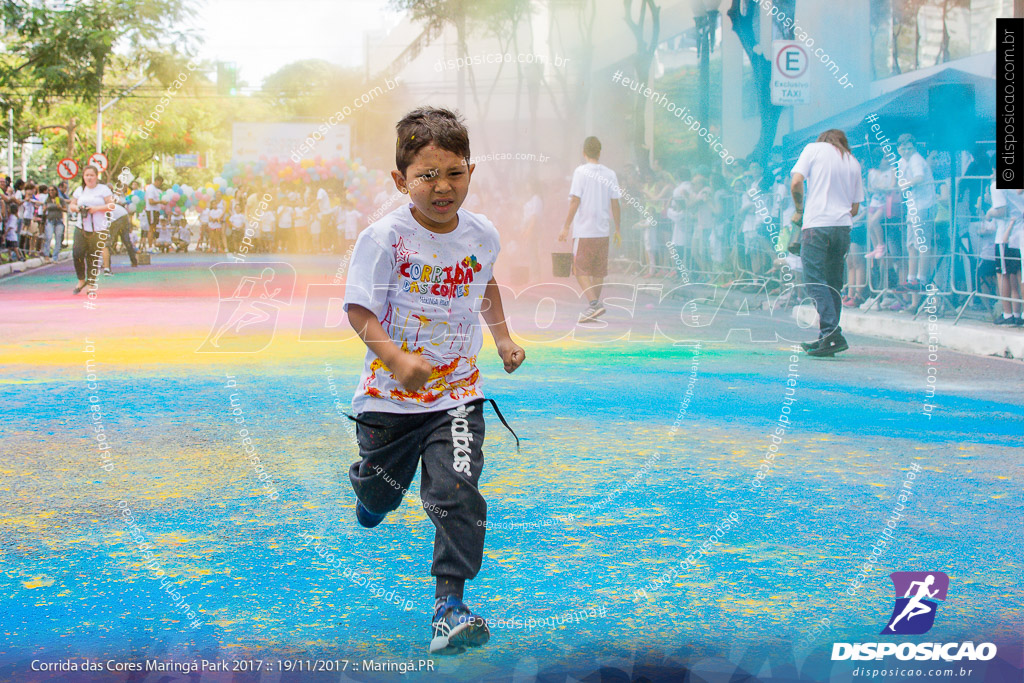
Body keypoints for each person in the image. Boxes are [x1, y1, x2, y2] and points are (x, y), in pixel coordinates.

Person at [343, 107, 524, 655]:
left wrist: (503, 337)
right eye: (427, 176)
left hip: (458, 394)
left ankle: (450, 606)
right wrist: (396, 360)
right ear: (401, 181)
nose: (442, 187)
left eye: (454, 173)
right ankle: (371, 495)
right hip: (389, 401)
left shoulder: (482, 233)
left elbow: (485, 284)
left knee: (457, 491)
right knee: (382, 490)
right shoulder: (383, 238)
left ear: (471, 171)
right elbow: (359, 311)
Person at [790, 129, 864, 357]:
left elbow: (796, 183)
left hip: (817, 225)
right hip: (842, 227)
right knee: (833, 283)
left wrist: (800, 210)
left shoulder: (812, 149)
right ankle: (826, 338)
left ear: (822, 139)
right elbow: (855, 207)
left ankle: (831, 332)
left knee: (814, 281)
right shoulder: (852, 161)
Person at [558, 136, 622, 322]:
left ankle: (594, 304)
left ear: (584, 152)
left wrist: (565, 226)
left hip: (584, 230)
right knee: (598, 271)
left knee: (579, 270)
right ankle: (594, 306)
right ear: (600, 152)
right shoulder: (610, 174)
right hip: (603, 230)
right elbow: (616, 203)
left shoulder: (581, 172)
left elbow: (575, 200)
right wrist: (617, 228)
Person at [896, 134, 936, 289]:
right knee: (911, 244)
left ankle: (922, 279)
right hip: (912, 205)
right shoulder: (901, 162)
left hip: (924, 205)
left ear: (914, 148)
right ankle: (911, 278)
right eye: (903, 148)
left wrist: (906, 184)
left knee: (922, 244)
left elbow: (919, 177)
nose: (906, 151)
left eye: (909, 148)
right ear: (898, 149)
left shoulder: (916, 160)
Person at [68, 165, 114, 294]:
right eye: (86, 175)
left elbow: (111, 205)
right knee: (77, 253)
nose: (89, 177)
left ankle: (91, 284)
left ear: (96, 176)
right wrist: (78, 208)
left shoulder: (103, 189)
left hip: (98, 228)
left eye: (91, 175)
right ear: (83, 176)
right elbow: (72, 204)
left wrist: (96, 209)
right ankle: (81, 279)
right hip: (81, 226)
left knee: (92, 256)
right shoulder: (80, 190)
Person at [985, 179, 1023, 326]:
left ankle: (1008, 314)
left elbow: (1001, 210)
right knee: (1017, 275)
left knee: (1003, 276)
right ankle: (1017, 314)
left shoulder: (997, 184)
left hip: (1005, 236)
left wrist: (989, 212)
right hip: (1018, 234)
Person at [103, 197, 138, 270]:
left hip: (117, 217)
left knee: (108, 241)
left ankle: (106, 264)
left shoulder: (101, 207)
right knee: (126, 239)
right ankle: (134, 261)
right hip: (123, 214)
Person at [43, 186, 66, 260]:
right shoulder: (47, 200)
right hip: (50, 220)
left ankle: (55, 256)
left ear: (56, 191)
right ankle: (46, 254)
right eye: (49, 190)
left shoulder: (60, 200)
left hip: (58, 220)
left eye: (52, 190)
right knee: (48, 237)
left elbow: (66, 209)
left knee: (58, 238)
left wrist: (60, 208)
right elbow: (43, 210)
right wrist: (45, 209)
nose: (51, 192)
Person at [144, 176, 165, 252]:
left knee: (154, 228)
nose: (160, 184)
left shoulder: (155, 189)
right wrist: (161, 202)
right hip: (151, 210)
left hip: (155, 210)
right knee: (151, 228)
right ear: (157, 181)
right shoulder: (151, 188)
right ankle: (149, 246)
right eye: (160, 183)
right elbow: (150, 201)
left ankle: (152, 245)